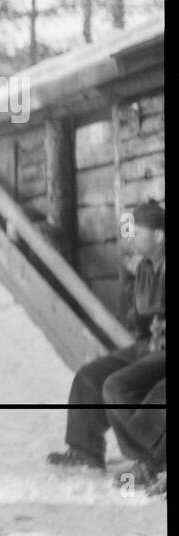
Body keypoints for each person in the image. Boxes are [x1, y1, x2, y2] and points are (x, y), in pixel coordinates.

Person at [48, 200, 165, 488]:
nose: (132, 236)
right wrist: (131, 282)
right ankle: (85, 450)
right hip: (146, 345)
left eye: (138, 231)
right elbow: (136, 320)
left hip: (161, 349)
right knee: (89, 376)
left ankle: (149, 461)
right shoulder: (145, 268)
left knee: (118, 386)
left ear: (159, 235)